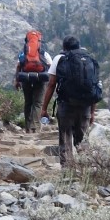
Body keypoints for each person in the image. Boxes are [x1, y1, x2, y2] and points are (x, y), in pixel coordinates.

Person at [40, 35, 96, 168]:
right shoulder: (89, 59)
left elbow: (51, 84)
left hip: (66, 105)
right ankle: (86, 169)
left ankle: (67, 171)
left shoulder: (59, 59)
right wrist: (93, 112)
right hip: (85, 106)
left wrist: (44, 109)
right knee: (82, 139)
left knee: (65, 138)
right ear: (78, 46)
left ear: (64, 47)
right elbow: (94, 87)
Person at [14, 33, 53, 133]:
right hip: (40, 79)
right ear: (39, 41)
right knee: (38, 103)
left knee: (28, 102)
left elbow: (19, 66)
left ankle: (27, 127)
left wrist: (17, 81)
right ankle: (35, 127)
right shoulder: (44, 53)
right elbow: (50, 66)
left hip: (25, 78)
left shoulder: (24, 53)